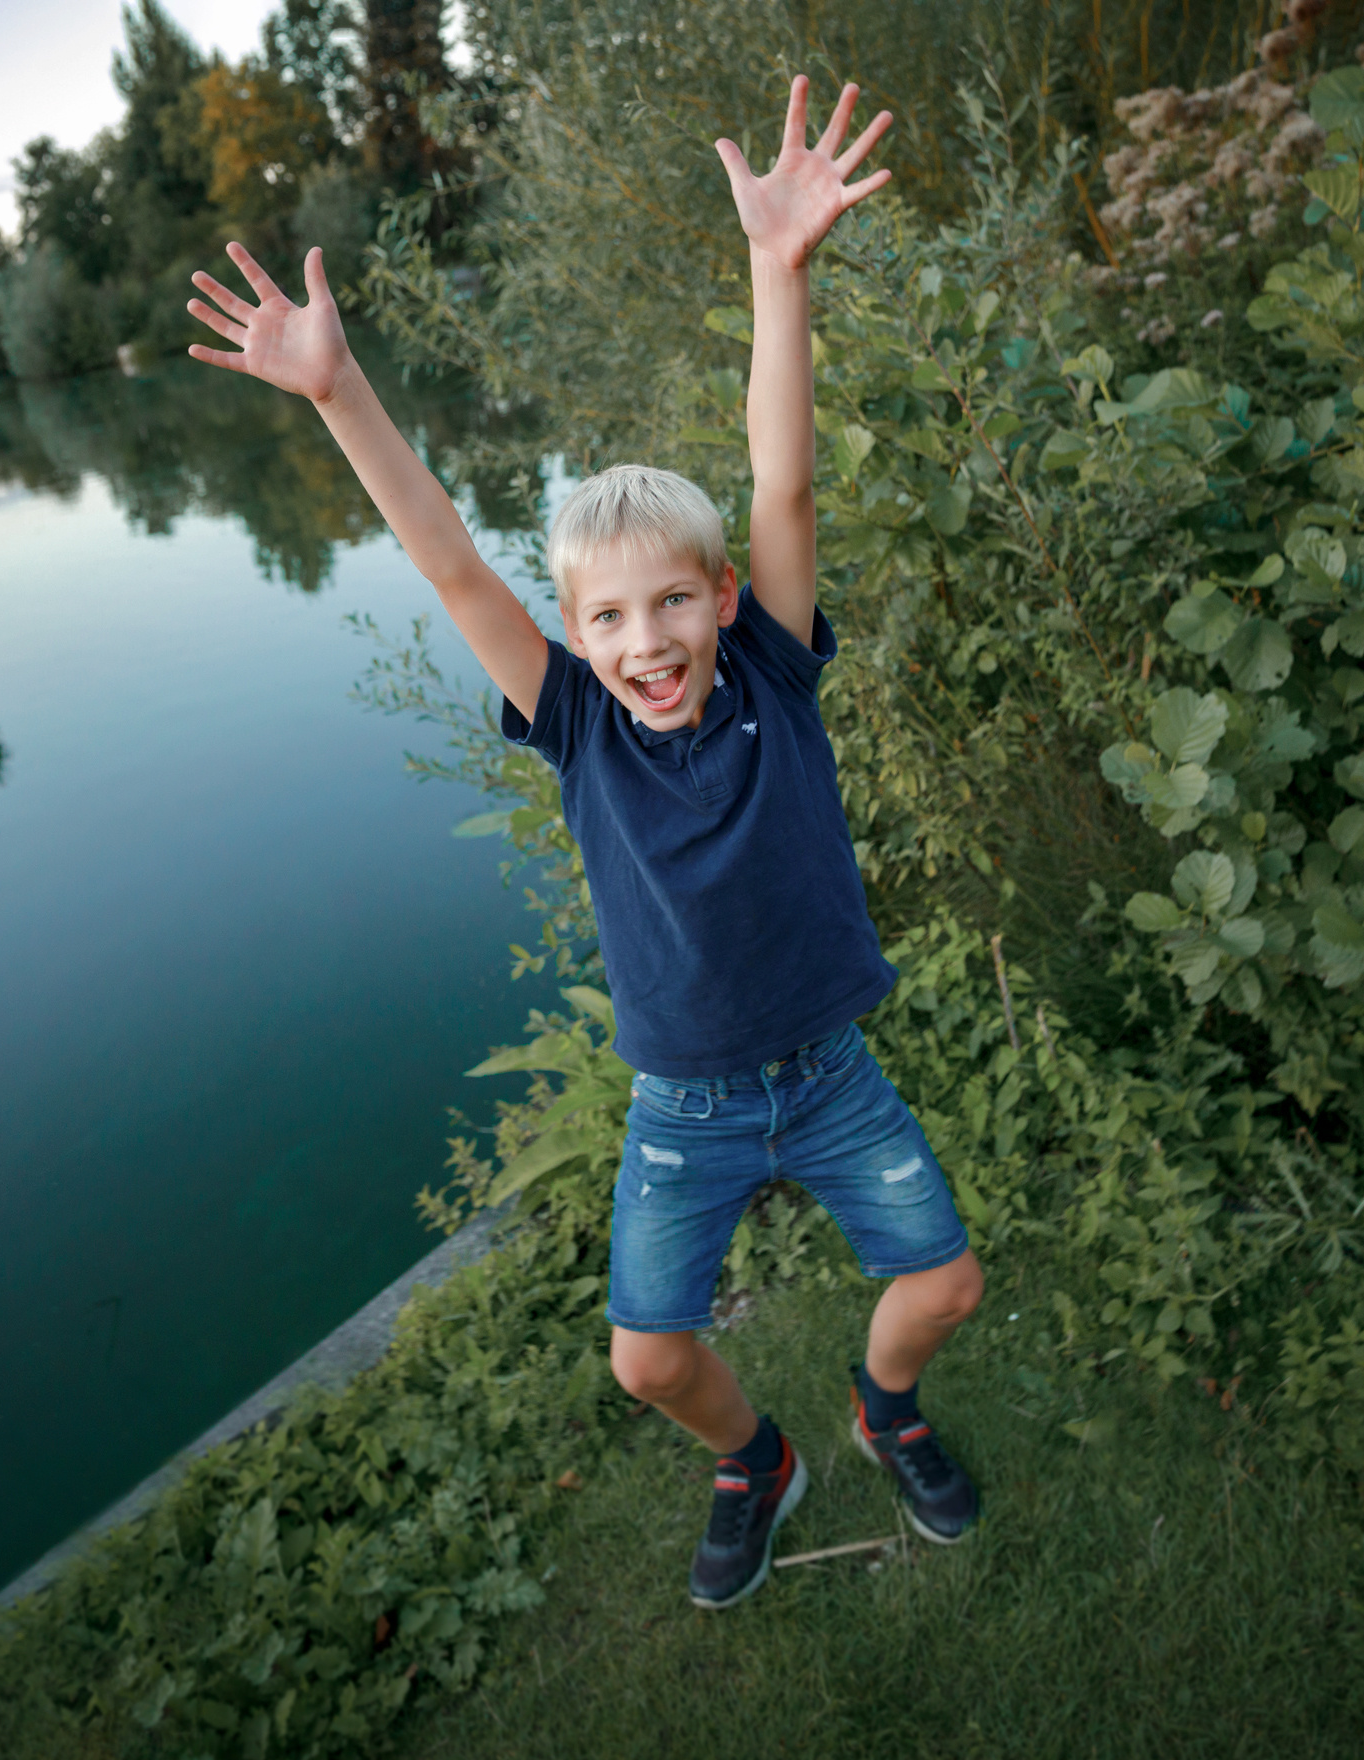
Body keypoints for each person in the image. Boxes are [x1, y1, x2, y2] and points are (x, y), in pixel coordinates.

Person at [185, 74, 984, 1611]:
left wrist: (778, 272)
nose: (647, 638)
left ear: (727, 602)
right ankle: (758, 1461)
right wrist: (342, 392)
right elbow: (449, 566)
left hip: (828, 1073)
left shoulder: (773, 673)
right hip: (683, 1102)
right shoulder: (578, 724)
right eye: (608, 616)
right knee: (646, 1358)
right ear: (576, 634)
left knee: (941, 1283)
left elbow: (783, 480)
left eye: (674, 600)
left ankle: (884, 1411)